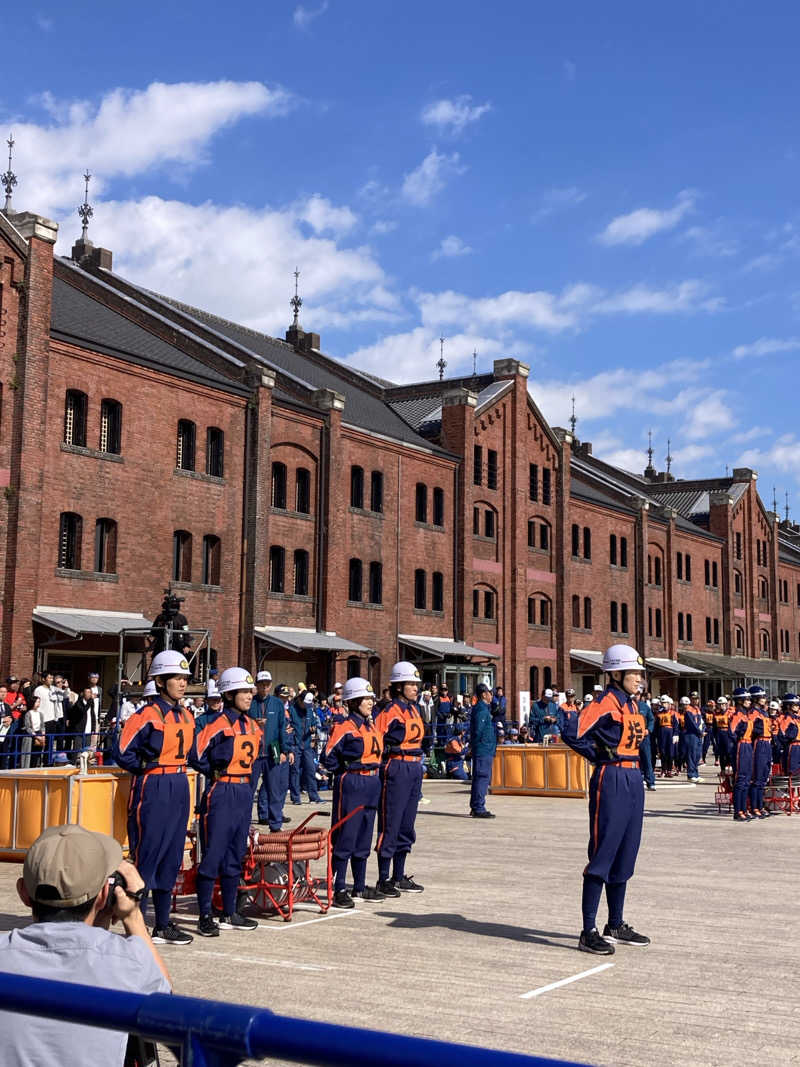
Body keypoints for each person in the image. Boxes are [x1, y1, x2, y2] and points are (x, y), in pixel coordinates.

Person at [0, 824, 170, 1066]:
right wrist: (133, 916)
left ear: (23, 893)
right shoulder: (128, 961)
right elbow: (168, 1005)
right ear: (103, 896)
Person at [567, 644, 650, 954]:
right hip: (611, 778)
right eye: (634, 673)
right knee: (603, 853)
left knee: (626, 853)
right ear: (616, 673)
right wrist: (599, 756)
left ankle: (615, 924)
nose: (640, 678)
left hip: (632, 778)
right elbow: (572, 730)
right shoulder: (604, 703)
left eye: (640, 673)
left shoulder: (632, 705)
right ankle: (587, 929)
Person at [114, 650, 195, 945]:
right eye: (176, 677)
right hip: (153, 785)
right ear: (160, 681)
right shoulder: (145, 715)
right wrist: (144, 767)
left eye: (185, 678)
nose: (182, 683)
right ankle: (136, 926)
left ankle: (162, 924)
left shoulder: (186, 714)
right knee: (147, 857)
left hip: (179, 784)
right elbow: (122, 752)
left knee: (172, 857)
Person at [189, 666, 261, 936]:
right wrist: (214, 772)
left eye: (249, 691)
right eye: (243, 691)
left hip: (243, 791)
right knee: (214, 854)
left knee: (235, 855)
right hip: (222, 790)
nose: (248, 696)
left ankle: (230, 911)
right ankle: (205, 915)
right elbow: (195, 754)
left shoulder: (253, 725)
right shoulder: (217, 723)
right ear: (229, 694)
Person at [322, 677, 385, 907]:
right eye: (366, 698)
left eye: (371, 697)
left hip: (372, 783)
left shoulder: (371, 725)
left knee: (364, 836)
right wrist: (346, 771)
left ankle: (358, 887)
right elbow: (327, 757)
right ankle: (338, 888)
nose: (371, 701)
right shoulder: (343, 726)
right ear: (353, 700)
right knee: (346, 835)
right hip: (353, 782)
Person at [374, 661, 425, 896]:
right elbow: (375, 740)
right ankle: (383, 878)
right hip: (396, 765)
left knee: (407, 824)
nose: (416, 687)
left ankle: (399, 875)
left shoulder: (415, 709)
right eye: (411, 683)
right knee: (391, 822)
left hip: (414, 767)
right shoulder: (388, 712)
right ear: (398, 686)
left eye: (416, 683)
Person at [249, 671, 293, 831]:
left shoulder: (277, 703)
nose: (265, 687)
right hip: (253, 752)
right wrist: (255, 723)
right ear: (257, 685)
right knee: (249, 789)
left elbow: (282, 727)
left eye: (267, 684)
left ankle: (275, 823)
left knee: (274, 789)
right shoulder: (250, 702)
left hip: (273, 749)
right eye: (261, 684)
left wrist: (284, 750)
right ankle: (246, 823)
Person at [288, 691, 322, 805]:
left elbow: (313, 723)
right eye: (305, 703)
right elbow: (288, 728)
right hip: (295, 745)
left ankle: (314, 796)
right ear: (299, 700)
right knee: (295, 771)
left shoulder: (309, 710)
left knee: (311, 770)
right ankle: (295, 798)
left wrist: (313, 728)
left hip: (307, 745)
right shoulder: (291, 710)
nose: (306, 706)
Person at [469, 682, 497, 818]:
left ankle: (476, 805)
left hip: (484, 748)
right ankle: (478, 807)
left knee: (480, 778)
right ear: (484, 694)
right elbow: (478, 731)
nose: (492, 695)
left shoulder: (484, 708)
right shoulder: (481, 710)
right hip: (483, 749)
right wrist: (475, 746)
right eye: (490, 693)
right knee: (482, 778)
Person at [729, 688, 755, 822]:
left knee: (746, 780)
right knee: (740, 780)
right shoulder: (737, 715)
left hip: (748, 745)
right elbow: (732, 732)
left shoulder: (746, 715)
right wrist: (738, 742)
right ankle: (738, 811)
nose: (749, 702)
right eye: (746, 699)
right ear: (739, 700)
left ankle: (744, 809)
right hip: (741, 746)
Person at [749, 686, 772, 819]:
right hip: (759, 743)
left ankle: (760, 805)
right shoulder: (753, 713)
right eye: (762, 697)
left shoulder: (763, 712)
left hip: (767, 743)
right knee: (757, 778)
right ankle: (755, 807)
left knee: (764, 777)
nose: (764, 699)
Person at [683, 695, 704, 783]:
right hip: (691, 734)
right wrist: (700, 732)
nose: (696, 701)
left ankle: (696, 773)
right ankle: (691, 774)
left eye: (697, 699)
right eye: (694, 699)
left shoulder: (698, 709)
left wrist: (703, 730)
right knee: (691, 754)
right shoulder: (688, 710)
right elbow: (692, 724)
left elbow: (702, 722)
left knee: (697, 755)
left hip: (698, 735)